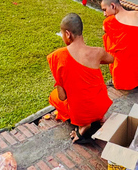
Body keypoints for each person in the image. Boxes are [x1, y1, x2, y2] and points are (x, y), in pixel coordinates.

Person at [47, 13, 114, 145]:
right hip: (101, 108)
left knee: (53, 96)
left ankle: (83, 126)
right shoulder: (98, 52)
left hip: (81, 114)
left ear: (68, 34)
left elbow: (62, 96)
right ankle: (99, 119)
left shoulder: (57, 56)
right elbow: (111, 58)